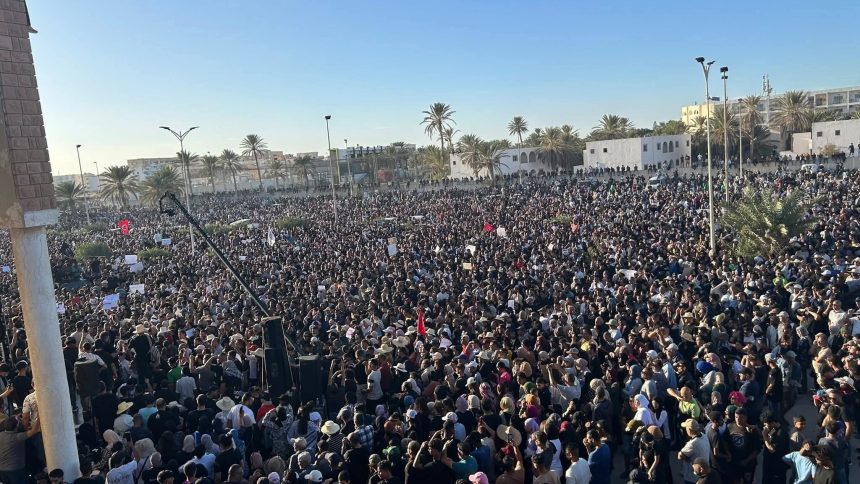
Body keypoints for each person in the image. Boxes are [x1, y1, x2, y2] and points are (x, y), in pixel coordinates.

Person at [0, 415, 41, 484]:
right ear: (17, 426)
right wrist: (40, 416)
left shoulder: (1, 435)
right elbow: (34, 430)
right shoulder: (18, 437)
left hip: (2, 470)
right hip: (16, 470)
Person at [678, 419, 710, 484]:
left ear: (689, 430)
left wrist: (680, 452)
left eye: (686, 428)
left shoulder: (692, 443)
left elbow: (680, 456)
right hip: (703, 474)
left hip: (692, 477)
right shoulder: (704, 435)